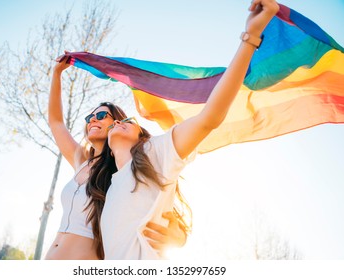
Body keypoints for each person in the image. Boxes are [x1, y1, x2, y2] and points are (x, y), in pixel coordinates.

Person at [95, 0, 280, 259]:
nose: (118, 123)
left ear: (141, 137)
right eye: (112, 123)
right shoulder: (109, 186)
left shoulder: (154, 152)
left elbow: (209, 117)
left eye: (127, 121)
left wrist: (250, 38)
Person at [45, 60, 187, 259]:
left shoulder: (123, 168)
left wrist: (179, 237)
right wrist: (57, 73)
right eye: (90, 118)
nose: (93, 120)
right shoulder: (81, 160)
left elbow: (161, 202)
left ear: (117, 122)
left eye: (102, 115)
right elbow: (56, 122)